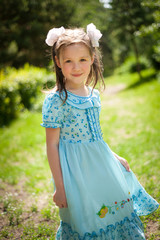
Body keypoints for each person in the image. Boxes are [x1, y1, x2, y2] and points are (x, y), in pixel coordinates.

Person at [41, 23, 159, 240]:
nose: (76, 67)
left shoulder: (93, 95)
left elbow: (96, 135)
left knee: (113, 203)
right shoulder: (56, 100)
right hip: (76, 170)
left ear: (92, 58)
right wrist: (60, 187)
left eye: (82, 59)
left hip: (101, 163)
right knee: (87, 215)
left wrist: (114, 156)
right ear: (58, 62)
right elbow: (52, 144)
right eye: (68, 61)